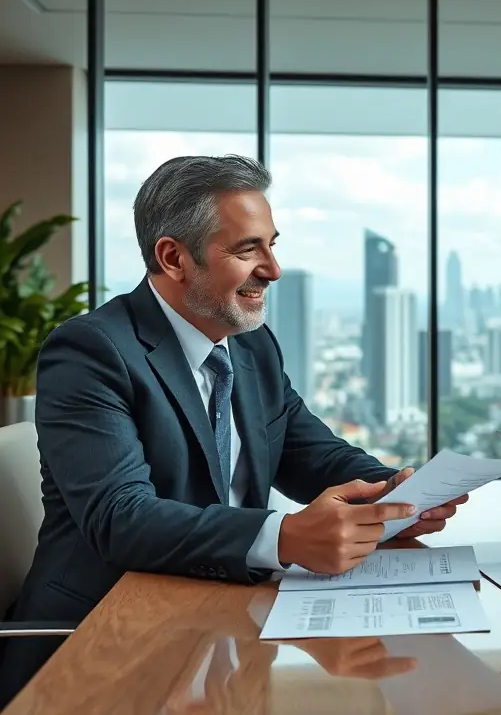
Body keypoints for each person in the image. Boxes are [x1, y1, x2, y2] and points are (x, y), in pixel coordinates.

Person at [0, 155, 465, 705]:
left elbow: (307, 451)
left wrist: (393, 493)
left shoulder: (251, 343)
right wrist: (285, 537)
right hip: (102, 643)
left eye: (272, 244)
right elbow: (120, 516)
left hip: (226, 629)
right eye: (248, 250)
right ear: (173, 258)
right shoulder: (92, 351)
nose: (273, 268)